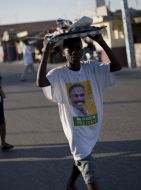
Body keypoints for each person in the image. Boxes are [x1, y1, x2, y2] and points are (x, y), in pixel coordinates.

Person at [37, 33, 121, 190]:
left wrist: (101, 41)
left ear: (82, 50)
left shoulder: (92, 68)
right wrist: (46, 51)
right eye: (71, 50)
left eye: (78, 48)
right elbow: (41, 82)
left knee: (81, 157)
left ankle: (70, 184)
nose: (75, 52)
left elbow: (116, 66)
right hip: (76, 133)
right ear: (64, 52)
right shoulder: (59, 74)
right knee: (88, 169)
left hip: (92, 127)